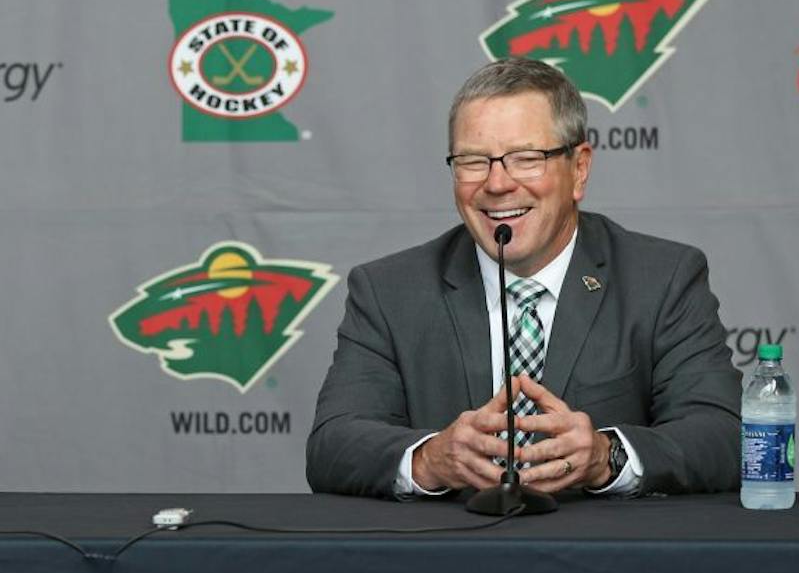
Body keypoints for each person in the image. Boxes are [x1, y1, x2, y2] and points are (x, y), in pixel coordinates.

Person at [306, 57, 739, 499]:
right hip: (446, 557)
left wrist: (606, 456)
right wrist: (430, 459)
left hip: (605, 560)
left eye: (526, 159)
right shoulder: (389, 291)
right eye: (473, 162)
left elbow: (722, 436)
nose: (497, 183)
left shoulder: (661, 280)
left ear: (580, 169)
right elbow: (333, 445)